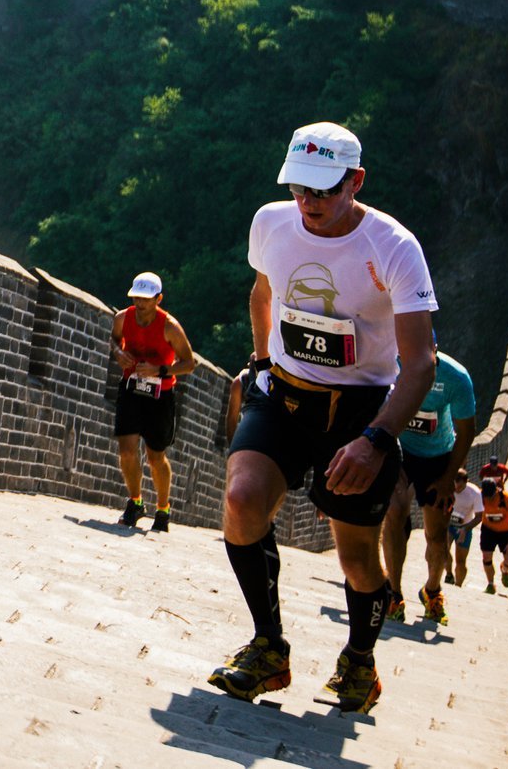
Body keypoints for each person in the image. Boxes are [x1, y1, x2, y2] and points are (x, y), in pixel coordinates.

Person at [207, 122, 436, 716]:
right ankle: (268, 647)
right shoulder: (272, 222)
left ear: (356, 181)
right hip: (283, 393)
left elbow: (420, 365)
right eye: (298, 189)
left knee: (357, 556)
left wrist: (378, 440)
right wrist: (259, 363)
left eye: (324, 192)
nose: (308, 204)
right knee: (241, 498)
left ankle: (360, 658)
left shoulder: (393, 248)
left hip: (359, 412)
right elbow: (263, 293)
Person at [378, 347, 476, 626]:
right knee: (394, 513)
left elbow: (467, 431)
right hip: (400, 449)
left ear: (434, 351)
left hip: (438, 458)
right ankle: (393, 594)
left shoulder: (455, 376)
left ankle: (432, 590)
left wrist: (448, 478)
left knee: (436, 534)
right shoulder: (386, 363)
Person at [109, 271, 196, 532]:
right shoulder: (122, 319)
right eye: (137, 297)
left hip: (160, 395)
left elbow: (189, 363)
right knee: (126, 449)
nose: (140, 303)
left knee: (155, 456)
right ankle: (135, 502)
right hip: (131, 388)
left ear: (158, 298)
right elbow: (115, 339)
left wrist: (160, 370)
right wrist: (118, 352)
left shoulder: (170, 327)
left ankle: (163, 508)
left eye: (146, 298)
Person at [477, 465, 508, 594]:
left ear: (497, 490)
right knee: (486, 557)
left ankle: (504, 569)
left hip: (506, 531)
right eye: (486, 496)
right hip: (488, 530)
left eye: (491, 496)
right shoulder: (480, 497)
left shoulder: (507, 499)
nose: (489, 499)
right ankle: (490, 584)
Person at [445, 468, 483, 587]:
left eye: (460, 487)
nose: (457, 489)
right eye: (455, 486)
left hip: (465, 526)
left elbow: (479, 516)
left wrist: (465, 529)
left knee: (460, 561)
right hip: (449, 524)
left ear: (466, 482)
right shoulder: (447, 488)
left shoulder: (475, 493)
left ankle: (458, 585)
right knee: (443, 550)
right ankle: (449, 574)